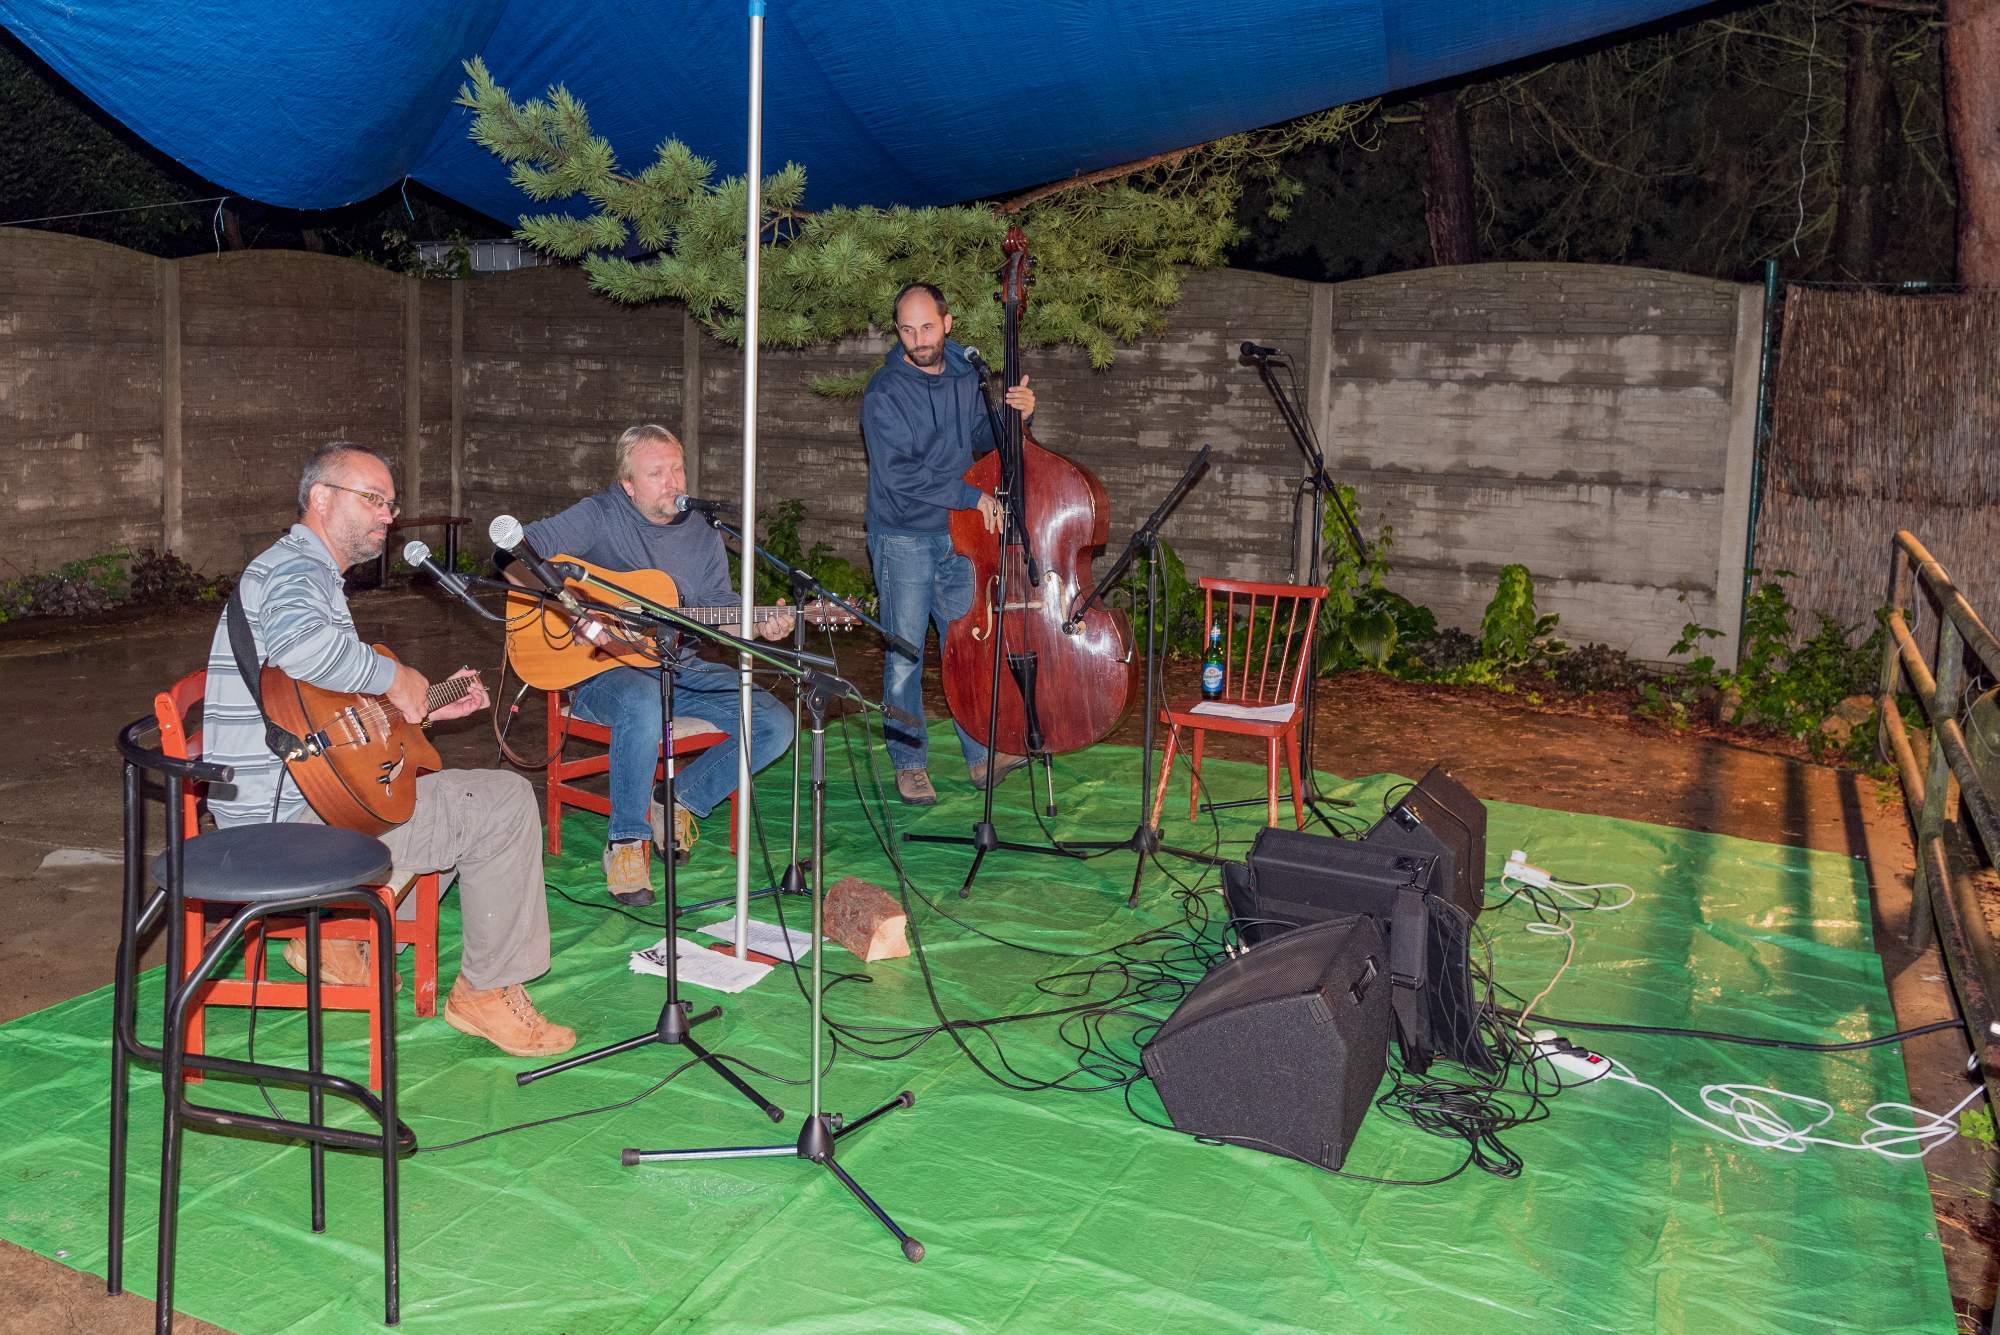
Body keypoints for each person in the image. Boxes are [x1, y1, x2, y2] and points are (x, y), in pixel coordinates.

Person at [202, 442, 575, 1059]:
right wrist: (395, 679)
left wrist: (419, 707)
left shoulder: (297, 568)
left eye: (391, 504)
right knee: (504, 801)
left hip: (291, 799)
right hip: (283, 825)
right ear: (321, 499)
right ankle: (485, 994)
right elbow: (305, 649)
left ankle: (337, 939)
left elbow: (325, 711)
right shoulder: (298, 571)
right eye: (372, 499)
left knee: (437, 791)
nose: (387, 515)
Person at [515, 424, 795, 906]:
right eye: (657, 473)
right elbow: (516, 553)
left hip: (678, 668)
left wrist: (758, 625)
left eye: (677, 469)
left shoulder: (703, 533)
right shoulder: (600, 515)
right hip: (599, 672)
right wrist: (573, 611)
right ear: (628, 484)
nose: (673, 483)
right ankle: (625, 842)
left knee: (775, 722)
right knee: (642, 699)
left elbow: (719, 614)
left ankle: (678, 798)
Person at [860, 281, 1037, 805]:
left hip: (958, 534)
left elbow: (984, 439)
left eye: (927, 327)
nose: (918, 339)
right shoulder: (884, 392)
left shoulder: (966, 373)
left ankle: (982, 754)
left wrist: (1017, 417)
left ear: (948, 323)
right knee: (906, 655)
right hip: (903, 536)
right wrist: (968, 496)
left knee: (964, 649)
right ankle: (910, 763)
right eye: (907, 330)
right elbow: (897, 473)